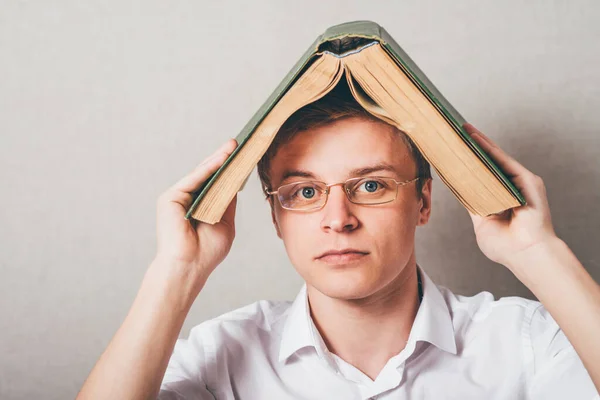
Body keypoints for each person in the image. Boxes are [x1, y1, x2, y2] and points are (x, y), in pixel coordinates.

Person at [77, 83, 600, 399]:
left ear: (423, 201)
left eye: (370, 185)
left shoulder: (527, 342)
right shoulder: (223, 355)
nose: (337, 218)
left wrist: (539, 253)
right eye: (304, 191)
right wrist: (177, 269)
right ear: (277, 217)